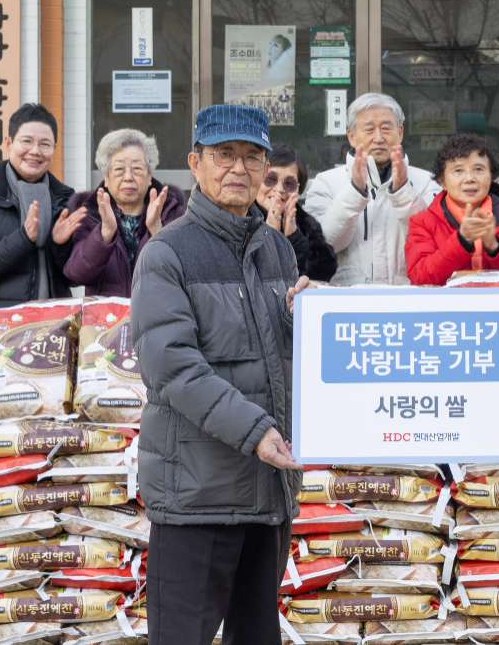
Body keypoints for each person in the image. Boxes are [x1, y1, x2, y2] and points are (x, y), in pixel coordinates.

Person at [131, 104, 306, 645]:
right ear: (196, 164)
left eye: (253, 157)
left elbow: (282, 357)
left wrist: (311, 323)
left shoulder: (276, 248)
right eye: (224, 155)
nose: (239, 168)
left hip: (268, 490)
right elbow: (173, 367)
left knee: (257, 635)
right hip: (197, 491)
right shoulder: (167, 252)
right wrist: (256, 432)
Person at [0, 103, 87, 376]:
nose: (35, 151)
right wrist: (23, 239)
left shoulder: (65, 199)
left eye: (45, 144)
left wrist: (59, 245)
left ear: (54, 150)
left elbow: (73, 276)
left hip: (53, 339)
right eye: (27, 141)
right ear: (9, 142)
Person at [305, 92, 440, 284]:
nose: (378, 138)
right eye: (368, 130)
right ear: (351, 136)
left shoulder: (427, 181)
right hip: (347, 304)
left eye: (386, 128)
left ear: (400, 133)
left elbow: (433, 242)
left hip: (408, 302)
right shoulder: (325, 182)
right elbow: (321, 247)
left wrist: (402, 190)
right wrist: (355, 193)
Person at [64, 129, 185, 297]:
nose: (128, 177)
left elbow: (186, 272)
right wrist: (104, 233)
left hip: (158, 318)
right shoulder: (89, 213)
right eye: (119, 169)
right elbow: (77, 274)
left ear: (149, 175)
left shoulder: (172, 211)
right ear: (106, 177)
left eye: (137, 168)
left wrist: (157, 229)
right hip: (106, 320)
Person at [405, 134, 499, 285]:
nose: (469, 178)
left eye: (478, 169)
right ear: (442, 181)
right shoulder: (422, 222)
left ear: (491, 177)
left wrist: (495, 246)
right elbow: (420, 276)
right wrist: (462, 241)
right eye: (458, 171)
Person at [254, 143, 337, 282]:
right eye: (270, 179)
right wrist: (269, 237)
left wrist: (294, 239)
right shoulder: (239, 219)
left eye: (289, 183)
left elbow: (324, 270)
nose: (279, 189)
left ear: (298, 190)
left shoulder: (306, 225)